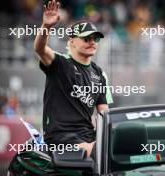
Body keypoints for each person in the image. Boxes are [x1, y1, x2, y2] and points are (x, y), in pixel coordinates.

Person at [34, 0, 113, 157]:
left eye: (95, 39)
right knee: (100, 153)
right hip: (61, 138)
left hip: (88, 137)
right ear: (71, 41)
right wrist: (46, 27)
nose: (92, 42)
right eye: (86, 38)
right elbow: (39, 49)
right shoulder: (60, 63)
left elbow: (104, 114)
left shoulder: (99, 73)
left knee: (119, 148)